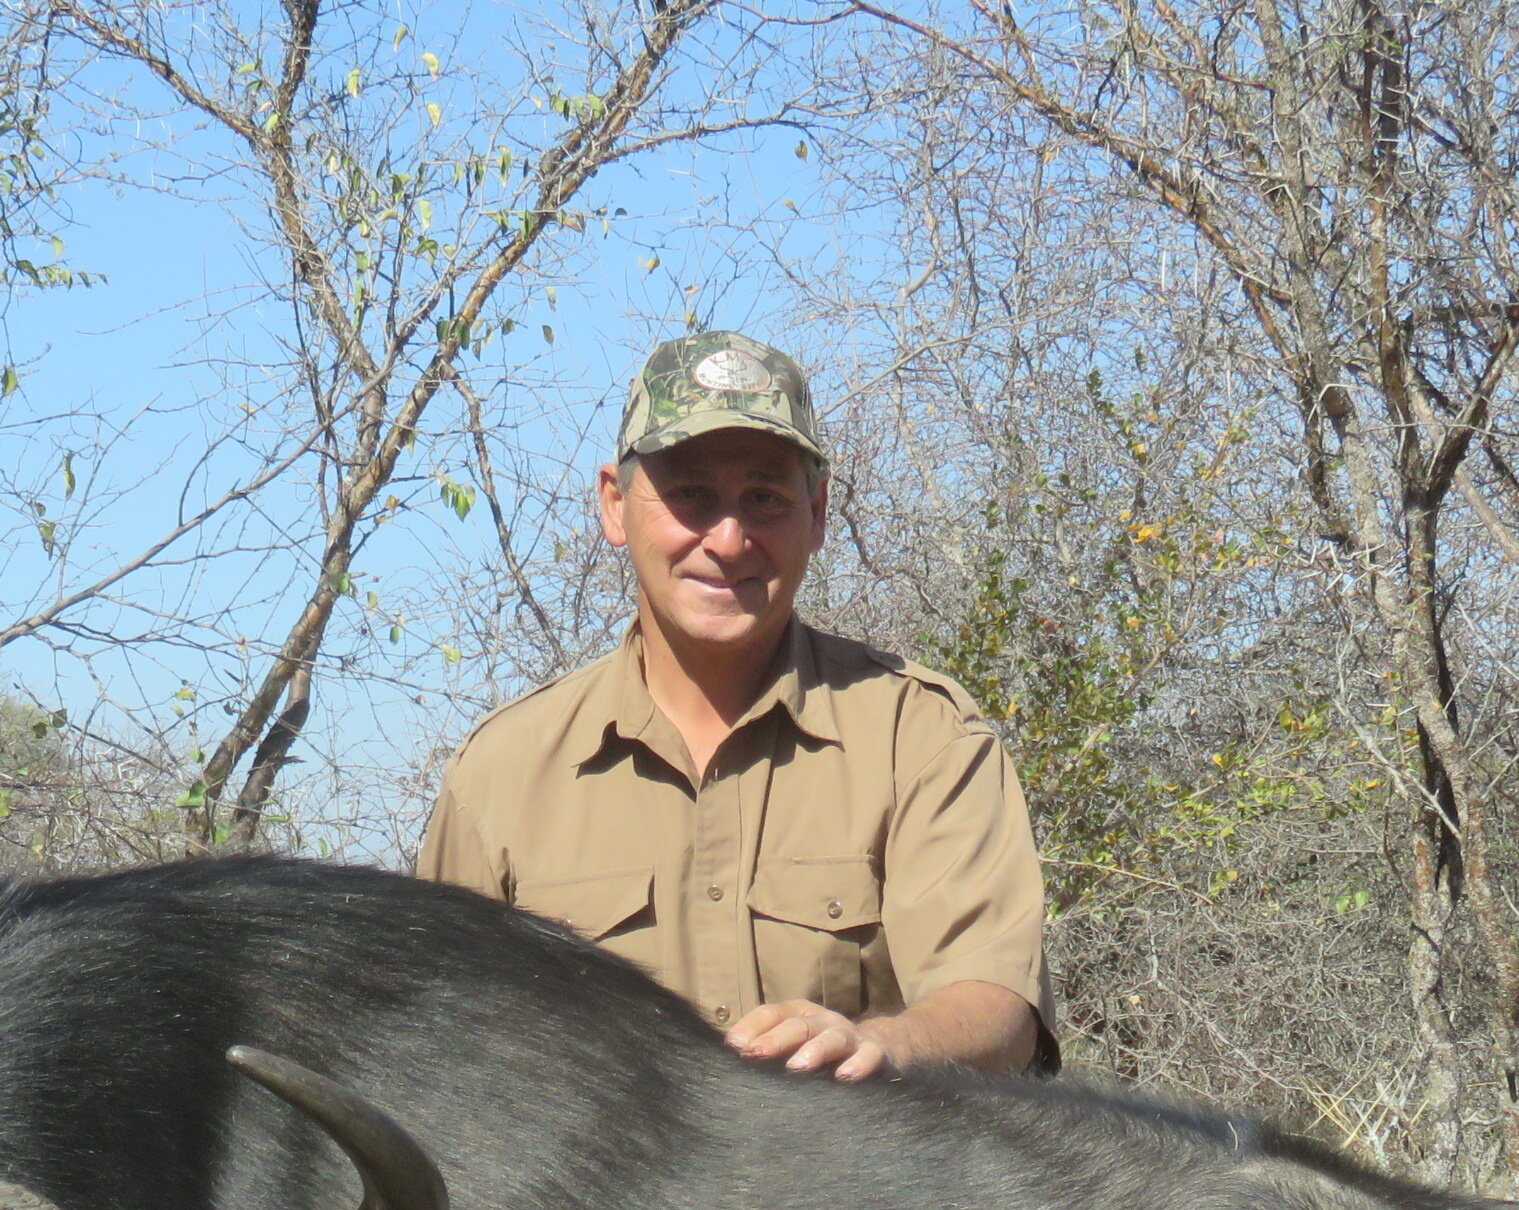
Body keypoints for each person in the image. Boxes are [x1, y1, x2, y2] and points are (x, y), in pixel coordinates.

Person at [416, 330, 1052, 1081]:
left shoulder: (921, 735)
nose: (728, 539)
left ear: (817, 515)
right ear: (615, 508)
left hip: (858, 1188)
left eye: (764, 499)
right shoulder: (502, 773)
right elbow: (435, 1048)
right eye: (690, 496)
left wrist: (884, 1050)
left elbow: (996, 1007)